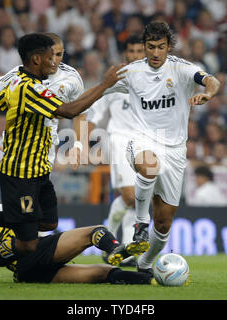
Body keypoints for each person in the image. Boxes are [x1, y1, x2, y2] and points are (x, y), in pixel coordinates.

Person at [0, 33, 129, 284]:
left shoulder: (23, 82)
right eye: (51, 57)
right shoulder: (29, 89)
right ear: (37, 59)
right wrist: (104, 85)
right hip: (20, 173)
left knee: (48, 222)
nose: (55, 62)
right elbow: (69, 110)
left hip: (40, 170)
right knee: (27, 244)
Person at [103, 21, 220, 275]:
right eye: (151, 47)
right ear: (144, 47)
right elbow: (99, 91)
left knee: (165, 222)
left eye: (161, 47)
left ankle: (144, 265)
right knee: (148, 165)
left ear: (169, 47)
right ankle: (140, 224)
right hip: (142, 139)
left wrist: (208, 94)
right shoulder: (131, 72)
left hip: (176, 150)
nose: (155, 53)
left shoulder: (182, 69)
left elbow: (212, 81)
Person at [81, 35, 146, 267]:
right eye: (132, 51)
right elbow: (93, 114)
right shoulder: (115, 82)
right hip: (120, 141)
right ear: (125, 54)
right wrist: (81, 144)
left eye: (141, 50)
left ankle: (122, 249)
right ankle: (110, 240)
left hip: (147, 144)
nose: (136, 55)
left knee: (137, 200)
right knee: (130, 196)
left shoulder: (155, 82)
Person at [0, 225, 156, 286]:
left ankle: (152, 280)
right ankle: (114, 248)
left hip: (29, 275)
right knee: (94, 232)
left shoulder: (22, 218)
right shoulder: (2, 225)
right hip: (38, 253)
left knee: (104, 273)